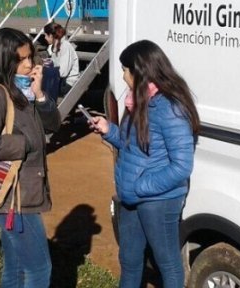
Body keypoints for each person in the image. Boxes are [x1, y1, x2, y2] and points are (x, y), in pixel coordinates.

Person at [90, 40, 200, 288]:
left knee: (168, 265)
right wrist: (109, 130)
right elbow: (133, 145)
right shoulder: (138, 101)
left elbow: (182, 166)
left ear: (139, 72)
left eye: (125, 70)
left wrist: (140, 186)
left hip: (158, 201)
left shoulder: (170, 107)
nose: (123, 75)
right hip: (131, 197)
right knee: (129, 260)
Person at [0, 27, 61, 288]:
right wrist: (25, 144)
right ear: (3, 60)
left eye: (30, 57)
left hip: (22, 192)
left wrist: (41, 94)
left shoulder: (21, 90)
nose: (29, 64)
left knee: (17, 267)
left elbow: (53, 124)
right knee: (39, 269)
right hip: (13, 197)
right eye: (21, 59)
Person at [44, 22, 79, 96]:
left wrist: (46, 71)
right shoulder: (55, 46)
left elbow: (63, 72)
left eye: (46, 35)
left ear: (51, 36)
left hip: (68, 83)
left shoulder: (65, 46)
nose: (45, 38)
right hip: (60, 80)